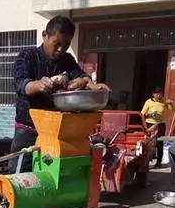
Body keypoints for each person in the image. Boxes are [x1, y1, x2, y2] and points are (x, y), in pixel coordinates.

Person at [12, 15, 107, 174]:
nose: (61, 49)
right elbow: (21, 84)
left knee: (52, 175)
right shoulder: (27, 56)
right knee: (21, 175)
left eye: (66, 45)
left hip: (56, 130)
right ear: (45, 36)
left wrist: (90, 84)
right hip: (28, 129)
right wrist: (39, 85)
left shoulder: (67, 59)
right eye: (57, 44)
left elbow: (81, 75)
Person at [141, 87, 174, 168]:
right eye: (156, 93)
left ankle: (158, 163)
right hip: (150, 124)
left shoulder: (164, 101)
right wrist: (150, 115)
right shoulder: (148, 102)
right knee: (149, 143)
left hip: (160, 125)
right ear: (153, 94)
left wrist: (170, 103)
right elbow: (142, 113)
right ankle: (145, 162)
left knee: (159, 143)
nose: (158, 95)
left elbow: (171, 110)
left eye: (160, 93)